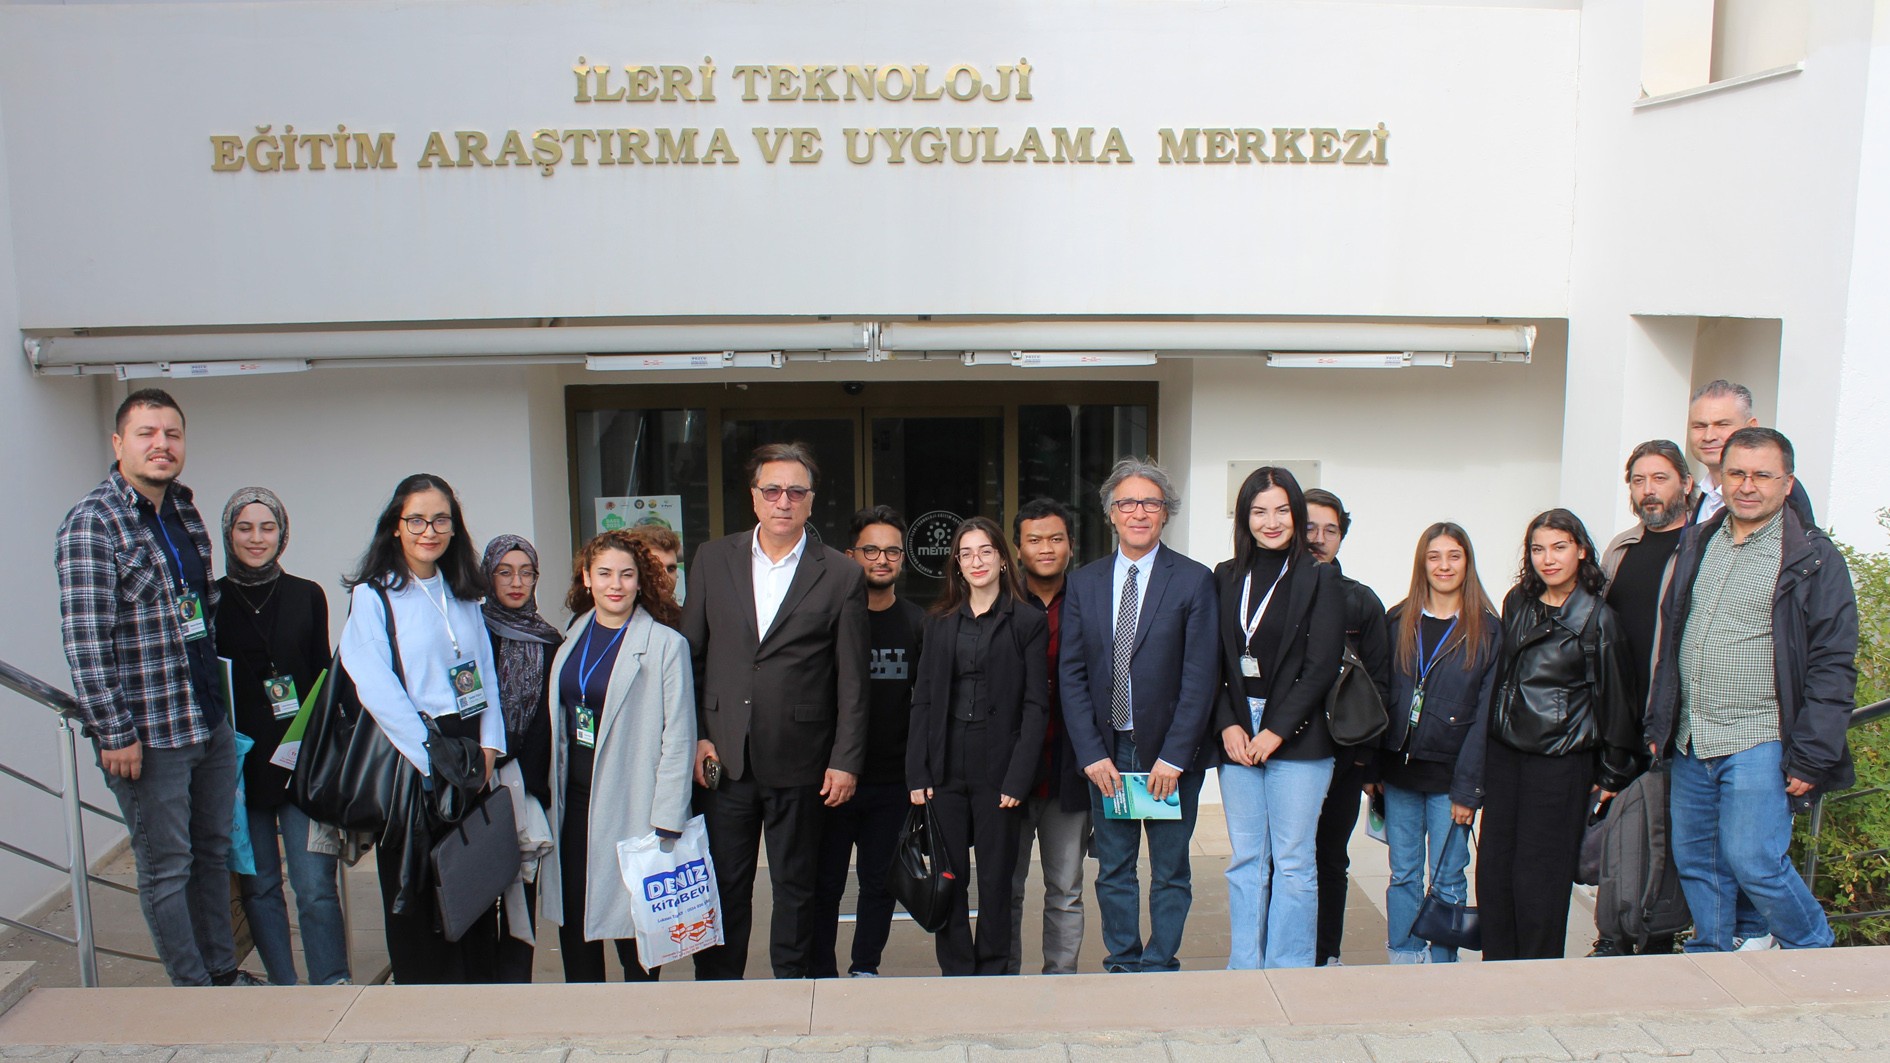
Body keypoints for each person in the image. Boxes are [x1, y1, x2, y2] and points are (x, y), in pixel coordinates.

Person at [56, 390, 260, 987]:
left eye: (172, 433)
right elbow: (86, 640)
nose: (161, 444)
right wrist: (114, 731)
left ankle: (221, 972)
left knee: (212, 853)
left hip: (206, 719)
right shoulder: (93, 523)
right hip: (148, 735)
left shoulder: (184, 512)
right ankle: (192, 990)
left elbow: (200, 614)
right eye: (147, 433)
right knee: (167, 868)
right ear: (119, 443)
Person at [1647, 427, 1856, 952]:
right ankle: (1713, 955)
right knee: (1698, 863)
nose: (1747, 485)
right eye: (1736, 473)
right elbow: (1673, 636)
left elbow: (1833, 663)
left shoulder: (1811, 557)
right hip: (1692, 736)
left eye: (1762, 475)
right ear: (1721, 478)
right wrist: (1659, 720)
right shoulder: (1699, 541)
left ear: (1787, 482)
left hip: (1760, 736)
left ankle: (1814, 948)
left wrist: (1813, 753)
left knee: (1754, 860)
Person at [681, 442, 870, 980]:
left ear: (811, 501)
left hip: (803, 760)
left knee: (796, 887)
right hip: (723, 756)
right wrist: (697, 736)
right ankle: (719, 992)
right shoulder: (713, 559)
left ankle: (790, 992)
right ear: (754, 497)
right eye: (772, 490)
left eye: (795, 491)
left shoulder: (841, 574)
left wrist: (845, 760)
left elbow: (853, 681)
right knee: (724, 885)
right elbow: (690, 657)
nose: (782, 501)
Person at [340, 473, 506, 985]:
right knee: (415, 891)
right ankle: (425, 1002)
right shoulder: (374, 596)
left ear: (454, 528)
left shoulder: (465, 593)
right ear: (396, 525)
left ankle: (478, 995)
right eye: (416, 520)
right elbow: (375, 686)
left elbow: (485, 676)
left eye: (440, 520)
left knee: (471, 883)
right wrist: (431, 760)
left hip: (469, 756)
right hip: (413, 759)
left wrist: (489, 748)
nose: (428, 531)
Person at [1059, 457, 1219, 974]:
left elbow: (1200, 677)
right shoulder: (1084, 583)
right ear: (1110, 513)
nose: (1138, 512)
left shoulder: (1193, 581)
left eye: (1150, 503)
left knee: (1170, 869)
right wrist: (1091, 754)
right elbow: (1072, 675)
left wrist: (1175, 756)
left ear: (1166, 512)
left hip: (1169, 757)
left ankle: (1160, 961)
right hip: (1109, 752)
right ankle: (1123, 961)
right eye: (1126, 503)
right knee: (1114, 868)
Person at [1479, 508, 1640, 961]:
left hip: (1559, 762)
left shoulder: (1598, 620)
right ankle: (1496, 970)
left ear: (1581, 551)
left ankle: (1536, 976)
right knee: (1494, 872)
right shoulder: (1518, 602)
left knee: (1540, 879)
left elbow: (1618, 703)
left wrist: (1611, 774)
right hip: (1506, 755)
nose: (1547, 559)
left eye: (1559, 547)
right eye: (1538, 549)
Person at [541, 530, 696, 981]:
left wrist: (668, 818)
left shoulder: (666, 644)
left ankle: (639, 1012)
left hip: (634, 806)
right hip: (574, 801)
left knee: (637, 930)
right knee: (576, 919)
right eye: (605, 573)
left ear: (640, 581)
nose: (616, 584)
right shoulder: (574, 634)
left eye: (626, 575)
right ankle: (584, 1008)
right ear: (587, 578)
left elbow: (679, 736)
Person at [1211, 467, 1344, 969]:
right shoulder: (1225, 575)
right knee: (1246, 860)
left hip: (1297, 735)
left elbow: (1321, 667)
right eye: (1259, 511)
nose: (1271, 522)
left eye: (1283, 510)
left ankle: (1289, 970)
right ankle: (1245, 967)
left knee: (1292, 862)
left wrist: (1275, 730)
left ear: (1297, 513)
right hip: (1237, 731)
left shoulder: (1320, 576)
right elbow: (1210, 662)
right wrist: (1228, 723)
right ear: (1245, 517)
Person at [217, 487, 349, 986]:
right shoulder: (211, 600)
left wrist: (331, 753)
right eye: (244, 528)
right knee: (260, 888)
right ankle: (284, 988)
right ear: (229, 533)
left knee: (315, 886)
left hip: (302, 765)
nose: (257, 538)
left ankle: (330, 982)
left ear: (282, 534)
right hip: (240, 771)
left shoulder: (307, 595)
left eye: (267, 527)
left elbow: (323, 676)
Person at [907, 517, 1050, 975]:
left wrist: (1018, 777)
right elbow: (923, 699)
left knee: (995, 879)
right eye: (966, 553)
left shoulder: (1027, 621)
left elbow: (1035, 706)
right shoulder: (938, 622)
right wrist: (917, 772)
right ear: (956, 564)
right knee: (949, 876)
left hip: (999, 766)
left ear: (1003, 559)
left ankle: (993, 971)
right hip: (946, 763)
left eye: (985, 551)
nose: (976, 561)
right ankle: (955, 970)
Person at [1373, 523, 1501, 964]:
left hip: (1451, 781)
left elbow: (1484, 719)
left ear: (1467, 563)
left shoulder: (1487, 631)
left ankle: (1445, 966)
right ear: (1422, 564)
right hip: (1400, 775)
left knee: (1447, 878)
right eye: (1434, 557)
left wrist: (1469, 790)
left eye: (1454, 556)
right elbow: (1380, 698)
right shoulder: (1398, 620)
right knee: (1404, 875)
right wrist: (1374, 770)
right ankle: (1404, 958)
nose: (1444, 566)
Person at [811, 507, 924, 978]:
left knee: (879, 884)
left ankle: (865, 968)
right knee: (825, 884)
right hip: (830, 779)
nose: (882, 559)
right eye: (871, 550)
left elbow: (926, 705)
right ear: (849, 555)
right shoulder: (827, 620)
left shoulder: (917, 623)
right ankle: (820, 971)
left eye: (892, 551)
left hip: (891, 781)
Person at [1591, 440, 1694, 957]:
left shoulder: (1700, 547)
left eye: (1660, 478)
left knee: (1659, 835)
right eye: (1638, 480)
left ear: (1686, 484)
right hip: (1617, 716)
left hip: (1669, 718)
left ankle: (1655, 937)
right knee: (1617, 832)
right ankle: (1613, 933)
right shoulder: (1621, 548)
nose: (1648, 490)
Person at [1301, 487, 1393, 967]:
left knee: (1330, 858)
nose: (1319, 538)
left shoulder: (1360, 602)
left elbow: (1380, 685)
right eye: (1310, 527)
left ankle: (1326, 955)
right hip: (1283, 752)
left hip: (1342, 755)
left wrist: (1364, 760)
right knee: (1281, 860)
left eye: (1330, 530)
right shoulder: (1271, 593)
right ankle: (1281, 952)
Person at [1006, 497, 1090, 976]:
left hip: (1069, 768)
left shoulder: (1089, 600)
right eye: (1034, 540)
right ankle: (1005, 978)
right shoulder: (999, 601)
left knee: (1065, 888)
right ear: (1017, 549)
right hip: (1010, 774)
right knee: (1006, 887)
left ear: (1070, 546)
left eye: (1055, 539)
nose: (1045, 548)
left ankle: (1061, 981)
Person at [480, 534, 562, 981]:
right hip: (476, 777)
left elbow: (550, 717)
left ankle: (515, 983)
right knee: (476, 884)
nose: (516, 582)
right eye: (505, 572)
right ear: (487, 576)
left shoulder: (550, 640)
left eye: (526, 573)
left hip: (525, 780)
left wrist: (524, 774)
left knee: (521, 883)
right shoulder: (472, 630)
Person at [1686, 380, 1813, 526]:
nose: (1709, 436)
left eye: (1722, 424)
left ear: (1751, 427)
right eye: (1699, 426)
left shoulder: (1780, 489)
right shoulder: (1707, 492)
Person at [627, 524, 684, 606]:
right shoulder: (618, 612)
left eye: (671, 569)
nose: (665, 578)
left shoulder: (687, 613)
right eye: (655, 568)